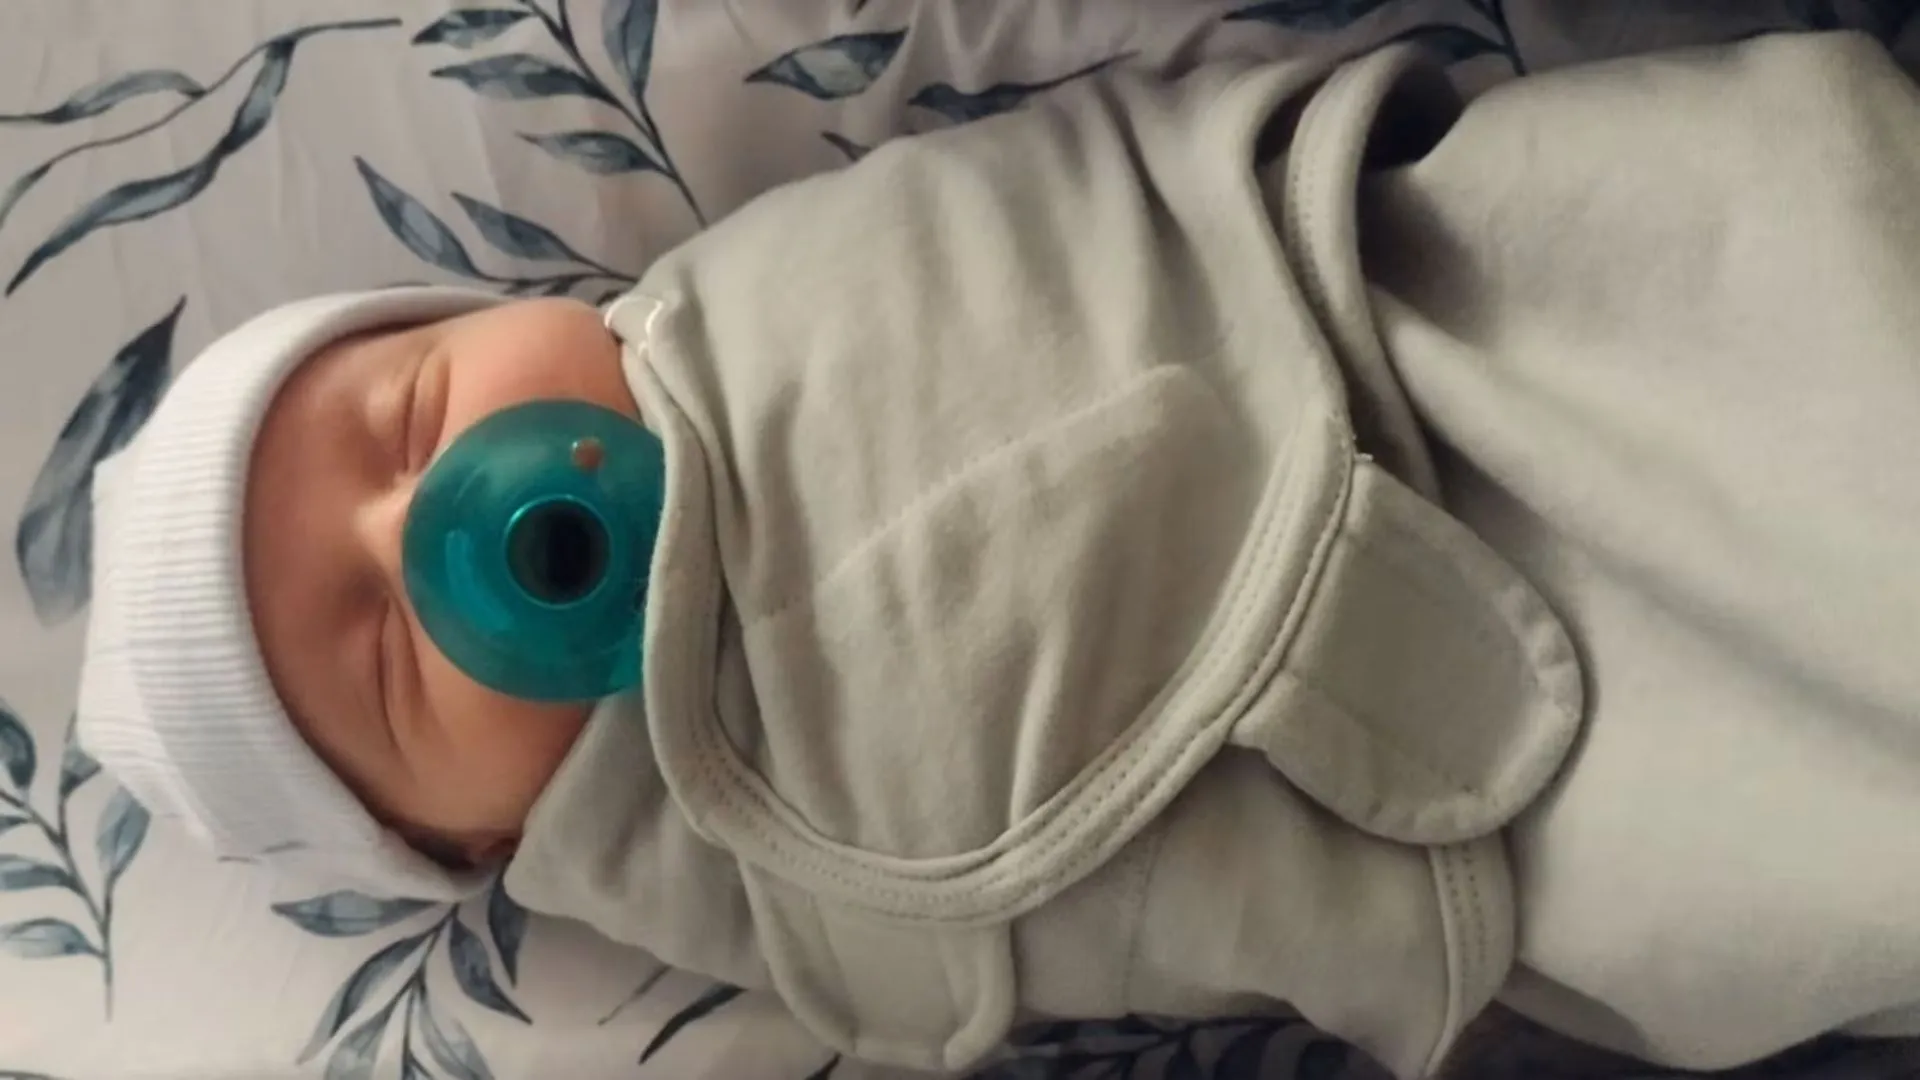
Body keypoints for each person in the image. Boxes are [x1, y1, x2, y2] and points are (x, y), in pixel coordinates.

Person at [72, 30, 1920, 1079]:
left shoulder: (730, 305)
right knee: (1759, 829)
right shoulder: (719, 859)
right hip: (1455, 759)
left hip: (1434, 305)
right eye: (382, 661)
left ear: (487, 312)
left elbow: (1056, 202)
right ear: (469, 845)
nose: (424, 529)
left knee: (1768, 253)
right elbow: (1049, 928)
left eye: (407, 421)